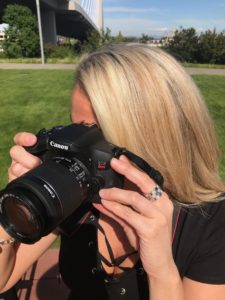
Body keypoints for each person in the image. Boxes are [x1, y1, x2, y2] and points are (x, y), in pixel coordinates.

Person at [0, 44, 225, 300]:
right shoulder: (81, 190)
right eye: (75, 127)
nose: (76, 147)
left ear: (155, 141)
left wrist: (162, 271)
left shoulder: (212, 224)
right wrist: (19, 199)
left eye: (93, 135)